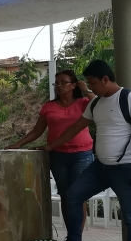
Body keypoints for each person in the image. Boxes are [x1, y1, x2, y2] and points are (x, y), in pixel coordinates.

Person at [44, 60, 131, 241]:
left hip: (127, 168)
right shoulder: (96, 105)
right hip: (100, 167)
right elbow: (75, 128)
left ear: (105, 79)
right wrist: (51, 146)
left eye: (93, 83)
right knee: (72, 196)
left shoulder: (130, 99)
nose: (90, 88)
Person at [8, 70, 95, 227]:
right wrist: (19, 144)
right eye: (57, 83)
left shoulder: (83, 103)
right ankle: (70, 236)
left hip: (82, 154)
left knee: (78, 195)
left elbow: (99, 105)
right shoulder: (49, 107)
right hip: (58, 155)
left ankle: (76, 239)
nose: (59, 86)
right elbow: (37, 131)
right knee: (65, 195)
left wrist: (87, 91)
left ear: (74, 84)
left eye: (64, 82)